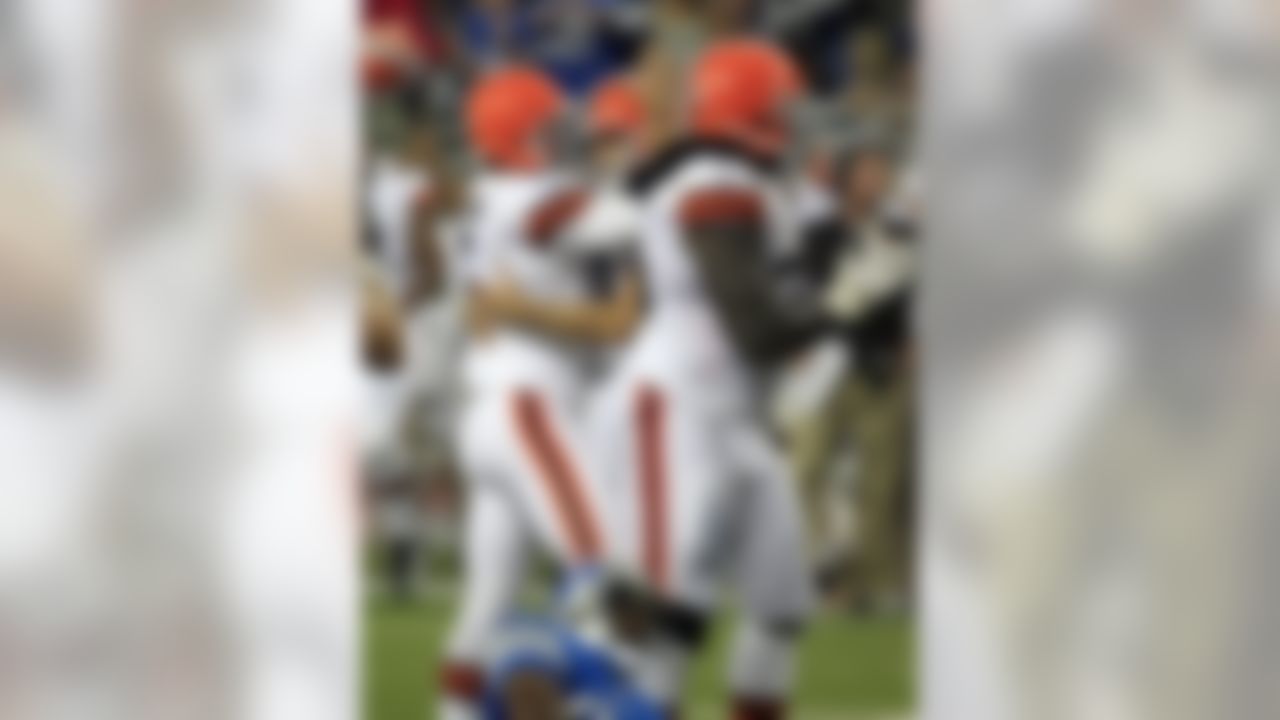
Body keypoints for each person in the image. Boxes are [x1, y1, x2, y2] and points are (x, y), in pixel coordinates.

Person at [589, 39, 864, 718]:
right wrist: (844, 304)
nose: (795, 119)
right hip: (678, 407)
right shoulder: (714, 181)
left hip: (731, 416)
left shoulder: (747, 182)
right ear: (749, 107)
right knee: (662, 615)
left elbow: (788, 296)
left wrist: (837, 272)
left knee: (779, 607)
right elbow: (757, 325)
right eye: (782, 103)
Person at [442, 65, 638, 719]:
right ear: (519, 135)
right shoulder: (540, 195)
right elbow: (634, 225)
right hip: (530, 407)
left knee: (487, 602)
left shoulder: (489, 197)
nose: (564, 136)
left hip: (493, 411)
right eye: (549, 127)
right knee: (601, 569)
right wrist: (644, 159)